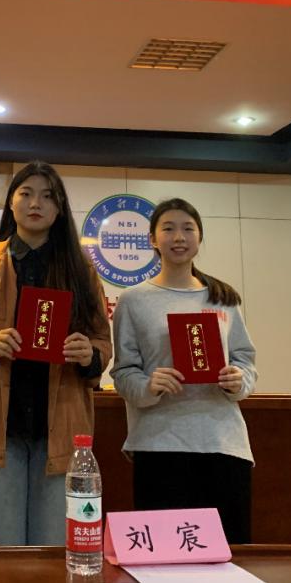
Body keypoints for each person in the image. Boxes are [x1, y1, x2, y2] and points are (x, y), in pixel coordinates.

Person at [0, 160, 111, 545]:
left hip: (61, 428)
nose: (36, 203)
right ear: (11, 202)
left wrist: (87, 352)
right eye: (26, 193)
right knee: (2, 546)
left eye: (47, 196)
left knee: (51, 549)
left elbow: (102, 342)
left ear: (59, 208)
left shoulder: (80, 269)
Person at [111, 197, 257, 543]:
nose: (179, 237)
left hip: (223, 444)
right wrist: (149, 385)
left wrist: (237, 380)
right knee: (166, 555)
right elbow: (123, 373)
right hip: (159, 446)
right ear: (152, 239)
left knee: (228, 553)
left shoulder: (223, 298)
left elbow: (245, 361)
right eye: (168, 228)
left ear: (199, 237)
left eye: (188, 229)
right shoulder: (132, 300)